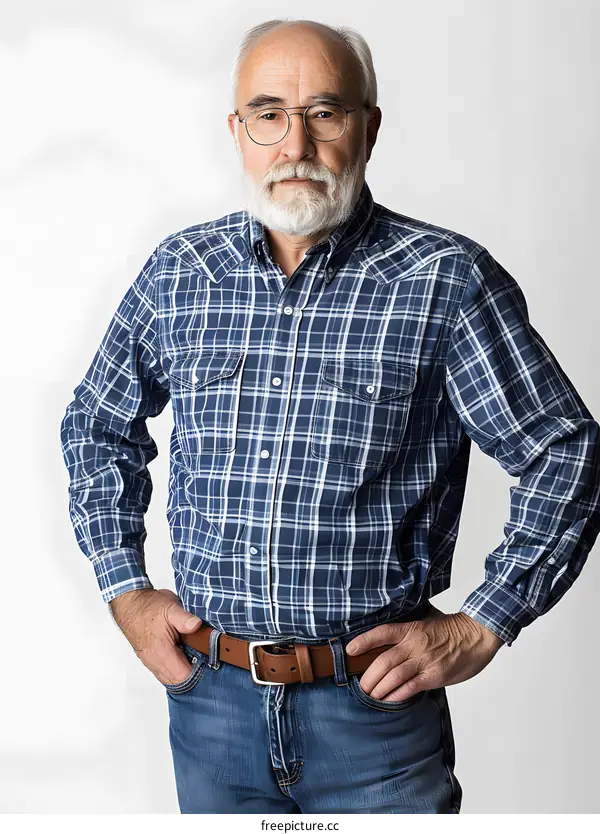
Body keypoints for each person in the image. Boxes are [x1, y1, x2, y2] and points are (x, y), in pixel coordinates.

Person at [59, 18, 600, 814]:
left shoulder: (444, 280)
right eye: (269, 114)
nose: (295, 145)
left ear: (368, 128)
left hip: (374, 717)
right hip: (211, 708)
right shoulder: (181, 272)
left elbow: (565, 450)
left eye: (325, 112)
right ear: (237, 130)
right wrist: (125, 590)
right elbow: (97, 425)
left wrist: (485, 622)